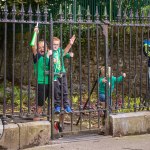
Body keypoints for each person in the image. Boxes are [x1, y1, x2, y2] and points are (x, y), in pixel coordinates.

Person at [31, 26, 52, 120]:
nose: (41, 48)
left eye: (43, 47)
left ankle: (52, 124)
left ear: (47, 48)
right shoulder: (38, 57)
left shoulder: (50, 56)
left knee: (55, 104)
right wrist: (35, 33)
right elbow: (33, 46)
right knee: (40, 104)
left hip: (52, 82)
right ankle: (36, 120)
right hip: (41, 83)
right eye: (40, 47)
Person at [53, 36, 76, 114]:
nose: (55, 46)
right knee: (56, 91)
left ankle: (66, 106)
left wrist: (70, 45)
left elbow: (66, 52)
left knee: (65, 90)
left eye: (57, 44)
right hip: (54, 75)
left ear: (59, 45)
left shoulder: (60, 51)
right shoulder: (49, 52)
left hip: (62, 73)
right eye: (54, 44)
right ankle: (57, 106)